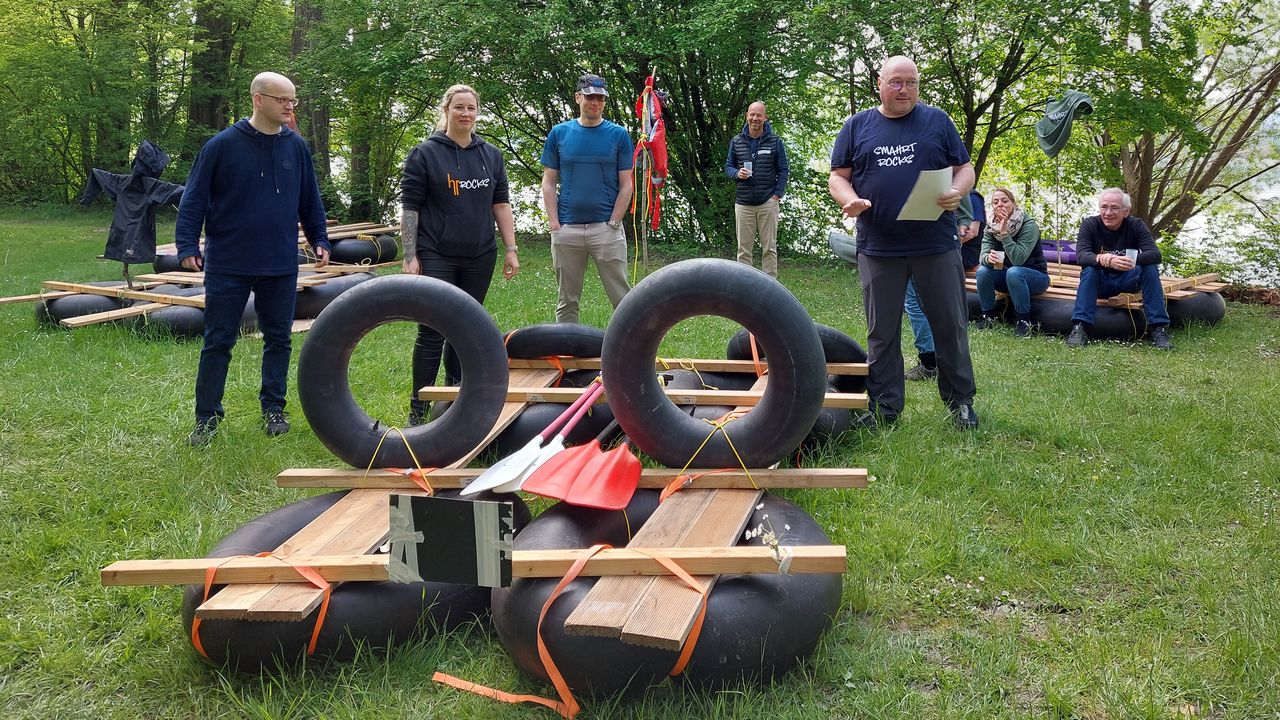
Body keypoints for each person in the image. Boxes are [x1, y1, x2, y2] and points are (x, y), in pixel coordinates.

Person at [176, 71, 330, 447]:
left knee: (279, 339)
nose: (290, 106)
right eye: (283, 100)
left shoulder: (297, 147)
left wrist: (320, 238)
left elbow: (310, 199)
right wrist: (187, 247)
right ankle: (206, 417)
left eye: (293, 99)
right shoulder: (221, 146)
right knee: (218, 340)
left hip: (279, 261)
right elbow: (193, 199)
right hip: (229, 261)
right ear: (258, 100)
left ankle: (273, 409)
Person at [827, 55, 979, 430]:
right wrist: (850, 199)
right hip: (879, 247)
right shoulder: (857, 125)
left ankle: (961, 403)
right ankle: (885, 410)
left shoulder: (937, 121)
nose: (904, 90)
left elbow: (965, 169)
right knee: (882, 332)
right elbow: (837, 176)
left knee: (950, 326)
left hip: (936, 244)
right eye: (896, 82)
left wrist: (958, 191)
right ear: (879, 83)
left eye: (911, 83)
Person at [400, 84, 519, 425]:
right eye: (458, 108)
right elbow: (410, 207)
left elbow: (500, 203)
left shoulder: (490, 155)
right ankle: (418, 408)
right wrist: (410, 256)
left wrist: (510, 249)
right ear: (446, 111)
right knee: (433, 329)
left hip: (480, 254)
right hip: (437, 252)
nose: (465, 113)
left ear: (477, 112)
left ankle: (453, 397)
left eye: (471, 108)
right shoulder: (425, 153)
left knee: (464, 327)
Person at [540, 74, 635, 324]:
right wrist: (554, 224)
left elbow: (627, 185)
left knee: (623, 299)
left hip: (606, 229)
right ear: (578, 98)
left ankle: (632, 353)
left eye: (600, 98)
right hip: (567, 229)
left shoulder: (618, 134)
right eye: (590, 97)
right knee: (567, 300)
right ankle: (566, 356)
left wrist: (614, 222)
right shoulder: (559, 133)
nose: (596, 102)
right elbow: (548, 181)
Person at [1067, 188, 1173, 350]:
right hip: (1100, 282)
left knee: (1149, 268)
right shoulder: (1090, 224)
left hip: (1127, 280)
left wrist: (1129, 260)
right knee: (1090, 270)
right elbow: (1081, 256)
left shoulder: (1135, 225)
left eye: (1114, 208)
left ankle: (1159, 329)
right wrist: (1104, 260)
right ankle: (1079, 327)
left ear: (1126, 211)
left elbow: (1155, 255)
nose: (1108, 213)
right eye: (1104, 207)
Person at [904, 188, 984, 380]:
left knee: (917, 299)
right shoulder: (935, 192)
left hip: (958, 253)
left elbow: (970, 231)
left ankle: (930, 361)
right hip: (932, 248)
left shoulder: (971, 197)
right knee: (913, 297)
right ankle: (934, 359)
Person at [725, 101, 790, 278]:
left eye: (759, 115)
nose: (755, 118)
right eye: (752, 114)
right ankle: (745, 287)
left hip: (767, 202)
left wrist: (777, 195)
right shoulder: (737, 141)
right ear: (747, 116)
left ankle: (770, 287)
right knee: (743, 250)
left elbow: (783, 169)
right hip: (743, 203)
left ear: (765, 118)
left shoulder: (775, 141)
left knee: (769, 248)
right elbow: (728, 167)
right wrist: (737, 173)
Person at [974, 187, 1050, 338]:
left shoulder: (1029, 225)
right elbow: (982, 256)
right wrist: (988, 259)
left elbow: (1018, 260)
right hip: (1007, 276)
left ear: (1014, 204)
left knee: (1014, 271)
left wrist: (1004, 233)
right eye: (995, 202)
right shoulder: (991, 226)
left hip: (1035, 277)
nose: (1000, 205)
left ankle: (1024, 321)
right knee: (983, 270)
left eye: (1004, 201)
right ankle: (988, 316)